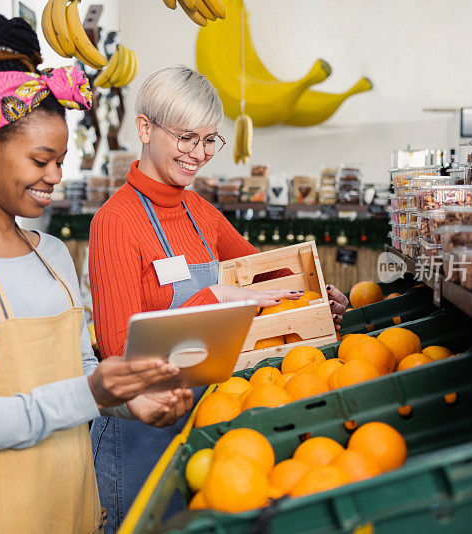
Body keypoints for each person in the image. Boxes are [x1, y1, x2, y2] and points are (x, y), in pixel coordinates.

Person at [0, 16, 191, 533]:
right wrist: (94, 392)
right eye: (41, 159)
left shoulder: (52, 255)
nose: (55, 176)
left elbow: (75, 372)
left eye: (61, 160)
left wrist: (131, 401)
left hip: (71, 507)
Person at [88, 65, 349, 532]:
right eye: (187, 138)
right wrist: (211, 298)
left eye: (210, 140)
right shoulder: (114, 222)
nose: (199, 154)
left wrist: (313, 295)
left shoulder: (200, 212)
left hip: (206, 422)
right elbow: (118, 354)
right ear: (145, 128)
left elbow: (262, 270)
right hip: (141, 436)